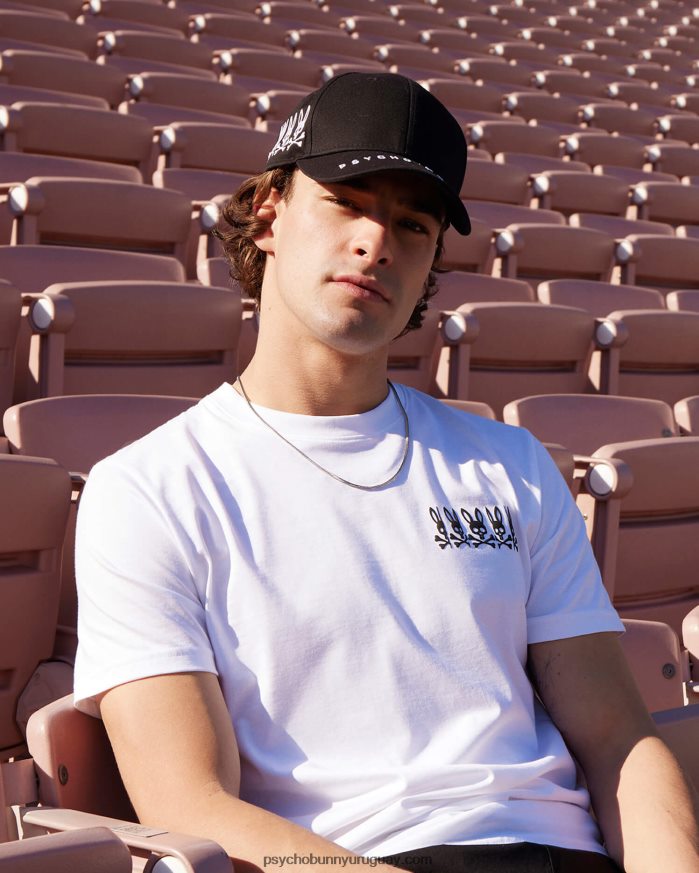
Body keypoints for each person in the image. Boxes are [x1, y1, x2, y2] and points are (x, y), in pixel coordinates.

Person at [73, 72, 699, 873]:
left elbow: (617, 738)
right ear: (268, 212)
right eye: (345, 202)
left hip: (560, 852)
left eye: (412, 223)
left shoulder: (510, 463)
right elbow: (188, 803)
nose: (376, 242)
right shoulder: (149, 488)